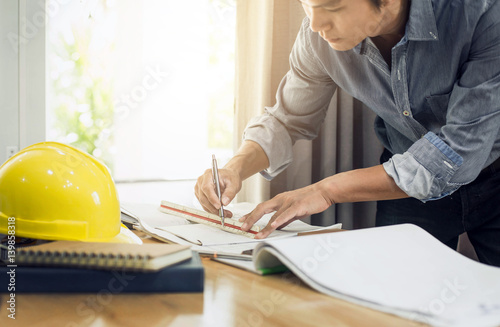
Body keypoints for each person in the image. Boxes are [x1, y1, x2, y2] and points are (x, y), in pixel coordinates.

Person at [195, 0, 500, 267]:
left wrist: (325, 191)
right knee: (392, 301)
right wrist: (236, 167)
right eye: (307, 4)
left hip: (494, 173)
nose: (316, 24)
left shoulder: (484, 14)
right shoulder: (316, 36)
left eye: (332, 7)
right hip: (403, 178)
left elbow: (455, 155)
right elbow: (287, 119)